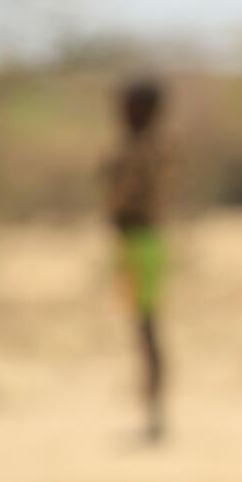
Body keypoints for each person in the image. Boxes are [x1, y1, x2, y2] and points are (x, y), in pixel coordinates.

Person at [102, 76, 171, 443]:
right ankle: (152, 413)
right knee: (143, 328)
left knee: (146, 328)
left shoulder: (139, 150)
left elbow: (124, 198)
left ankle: (155, 417)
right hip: (138, 242)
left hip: (140, 241)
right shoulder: (148, 148)